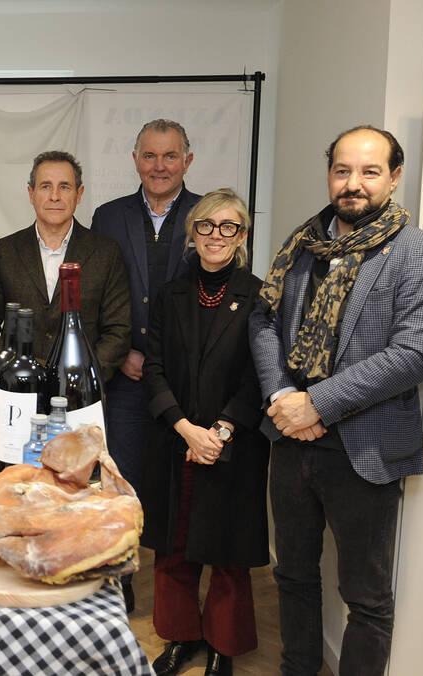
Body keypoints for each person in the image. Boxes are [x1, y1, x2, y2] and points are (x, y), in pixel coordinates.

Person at [250, 126, 423, 675]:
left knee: (366, 599)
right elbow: (264, 319)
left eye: (368, 171)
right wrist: (282, 394)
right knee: (291, 576)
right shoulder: (302, 244)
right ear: (329, 174)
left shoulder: (420, 253)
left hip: (366, 451)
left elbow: (412, 355)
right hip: (291, 442)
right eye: (343, 170)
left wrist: (318, 404)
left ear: (394, 176)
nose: (353, 183)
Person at [142, 189, 268, 676]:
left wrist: (220, 430)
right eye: (207, 226)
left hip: (231, 442)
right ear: (193, 233)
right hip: (175, 438)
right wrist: (184, 428)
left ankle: (223, 645)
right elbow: (153, 368)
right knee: (172, 549)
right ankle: (180, 639)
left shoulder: (258, 295)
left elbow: (260, 374)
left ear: (241, 236)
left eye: (229, 227)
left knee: (227, 553)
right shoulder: (170, 293)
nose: (217, 236)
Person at [91, 118, 202, 610]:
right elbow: (99, 295)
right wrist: (124, 352)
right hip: (127, 376)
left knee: (181, 489)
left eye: (170, 156)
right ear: (135, 160)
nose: (160, 166)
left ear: (187, 161)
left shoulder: (208, 214)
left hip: (187, 382)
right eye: (150, 156)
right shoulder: (108, 217)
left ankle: (176, 597)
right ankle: (123, 578)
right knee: (123, 479)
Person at [0, 150, 131, 378]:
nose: (54, 196)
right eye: (45, 186)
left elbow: (118, 331)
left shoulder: (106, 253)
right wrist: (11, 371)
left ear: (79, 194)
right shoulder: (5, 251)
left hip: (81, 396)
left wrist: (80, 379)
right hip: (17, 391)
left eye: (64, 187)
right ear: (31, 193)